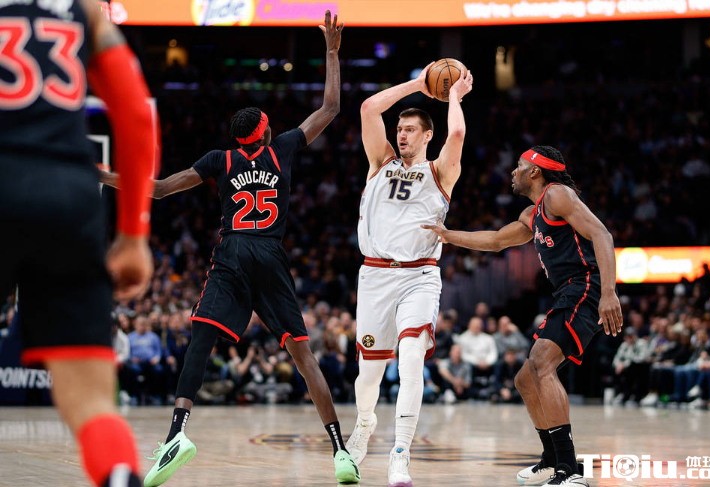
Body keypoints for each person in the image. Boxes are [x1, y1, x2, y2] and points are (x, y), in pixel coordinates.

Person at [100, 11, 358, 485]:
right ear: (264, 132)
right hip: (270, 254)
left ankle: (177, 434)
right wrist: (331, 52)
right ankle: (341, 452)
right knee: (303, 356)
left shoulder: (219, 160)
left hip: (234, 252)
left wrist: (104, 175)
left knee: (201, 336)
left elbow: (158, 189)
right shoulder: (282, 147)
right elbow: (330, 107)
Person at [0, 0, 158, 484]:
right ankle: (118, 476)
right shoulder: (83, 7)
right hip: (66, 197)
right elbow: (135, 112)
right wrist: (133, 235)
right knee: (92, 404)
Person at [423, 146, 622, 487]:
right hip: (566, 294)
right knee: (525, 380)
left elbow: (602, 234)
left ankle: (570, 470)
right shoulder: (533, 213)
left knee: (541, 364)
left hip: (585, 287)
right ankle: (552, 458)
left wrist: (609, 293)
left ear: (535, 171)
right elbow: (495, 241)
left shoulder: (557, 194)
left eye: (519, 165)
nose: (513, 171)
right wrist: (448, 235)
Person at [346, 60, 473, 487]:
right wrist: (418, 84)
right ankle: (364, 423)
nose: (402, 135)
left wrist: (453, 97)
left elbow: (458, 135)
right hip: (375, 277)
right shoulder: (379, 162)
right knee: (368, 376)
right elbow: (368, 108)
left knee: (412, 359)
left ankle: (400, 453)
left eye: (411, 130)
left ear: (426, 135)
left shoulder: (440, 172)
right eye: (399, 129)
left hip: (420, 276)